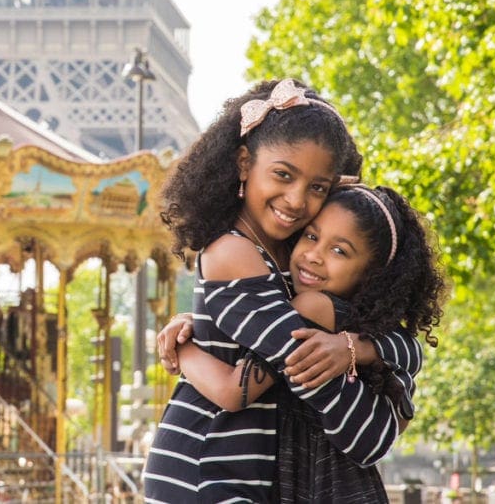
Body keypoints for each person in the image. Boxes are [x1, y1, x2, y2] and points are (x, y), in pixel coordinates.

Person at [141, 78, 425, 503]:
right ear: (242, 164)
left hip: (248, 471)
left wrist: (354, 346)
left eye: (317, 188)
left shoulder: (291, 260)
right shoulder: (233, 253)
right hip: (206, 467)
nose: (296, 200)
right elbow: (247, 388)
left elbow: (406, 347)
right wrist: (183, 350)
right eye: (282, 175)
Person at [165, 182, 445, 502]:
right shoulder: (365, 324)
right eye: (311, 236)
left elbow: (232, 391)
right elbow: (411, 351)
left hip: (319, 482)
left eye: (339, 251)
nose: (314, 256)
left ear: (371, 275)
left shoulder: (312, 307)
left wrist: (183, 348)